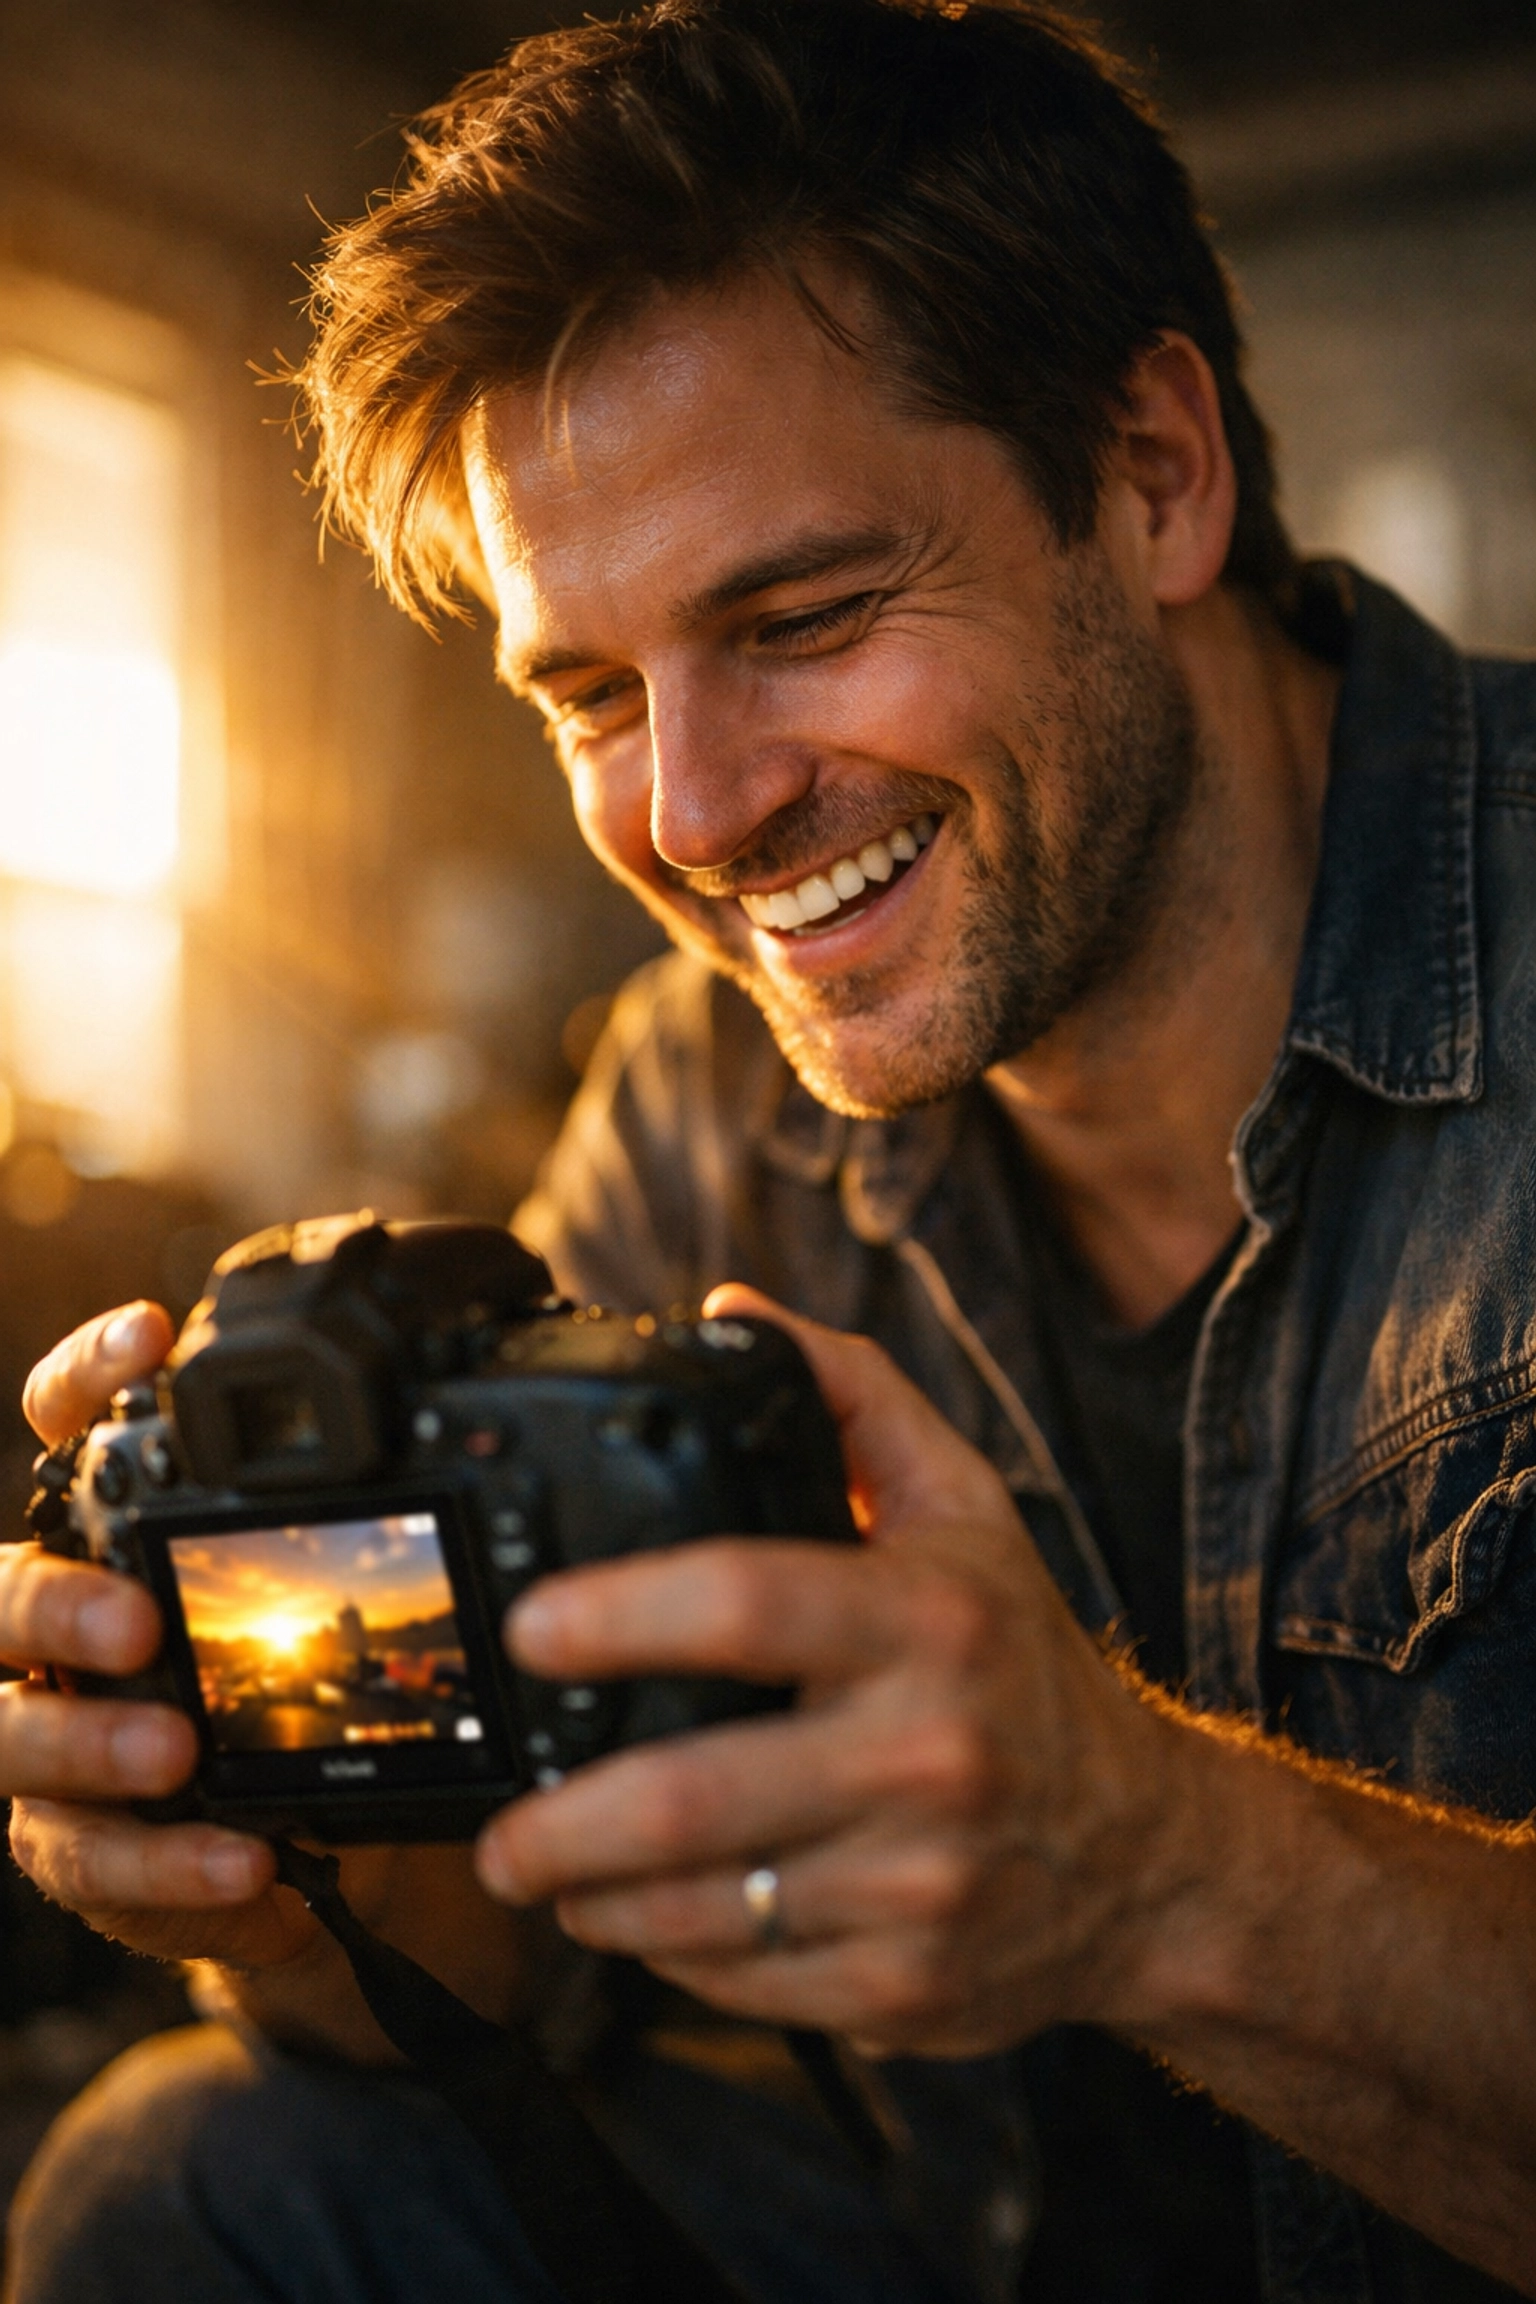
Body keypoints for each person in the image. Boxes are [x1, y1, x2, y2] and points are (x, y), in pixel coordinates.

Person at [4, 2, 1536, 2297]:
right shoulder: (695, 1102)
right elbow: (527, 1964)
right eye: (589, 697)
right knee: (197, 2171)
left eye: (804, 618)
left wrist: (1164, 1866)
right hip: (960, 2234)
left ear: (1152, 473)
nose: (699, 813)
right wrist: (294, 1853)